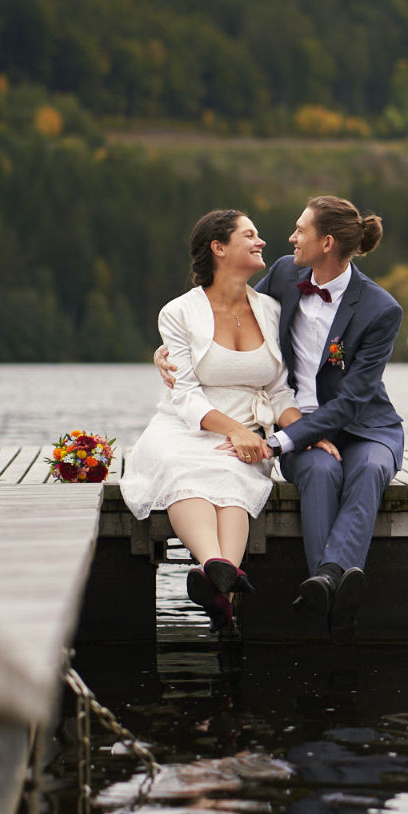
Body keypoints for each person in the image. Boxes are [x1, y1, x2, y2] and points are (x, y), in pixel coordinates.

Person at [158, 195, 403, 639]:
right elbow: (231, 312)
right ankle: (330, 584)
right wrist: (167, 353)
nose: (290, 237)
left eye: (300, 230)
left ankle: (326, 577)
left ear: (326, 243)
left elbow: (352, 402)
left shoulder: (380, 309)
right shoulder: (287, 275)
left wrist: (276, 443)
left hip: (365, 424)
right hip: (297, 418)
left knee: (368, 468)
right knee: (321, 470)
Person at [122, 209, 304, 632]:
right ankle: (217, 568)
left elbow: (279, 392)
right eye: (250, 235)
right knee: (186, 468)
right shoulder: (179, 313)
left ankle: (216, 582)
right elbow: (183, 393)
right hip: (186, 424)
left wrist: (306, 433)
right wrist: (235, 430)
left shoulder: (272, 310)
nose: (261, 241)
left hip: (250, 428)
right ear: (218, 248)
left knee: (233, 473)